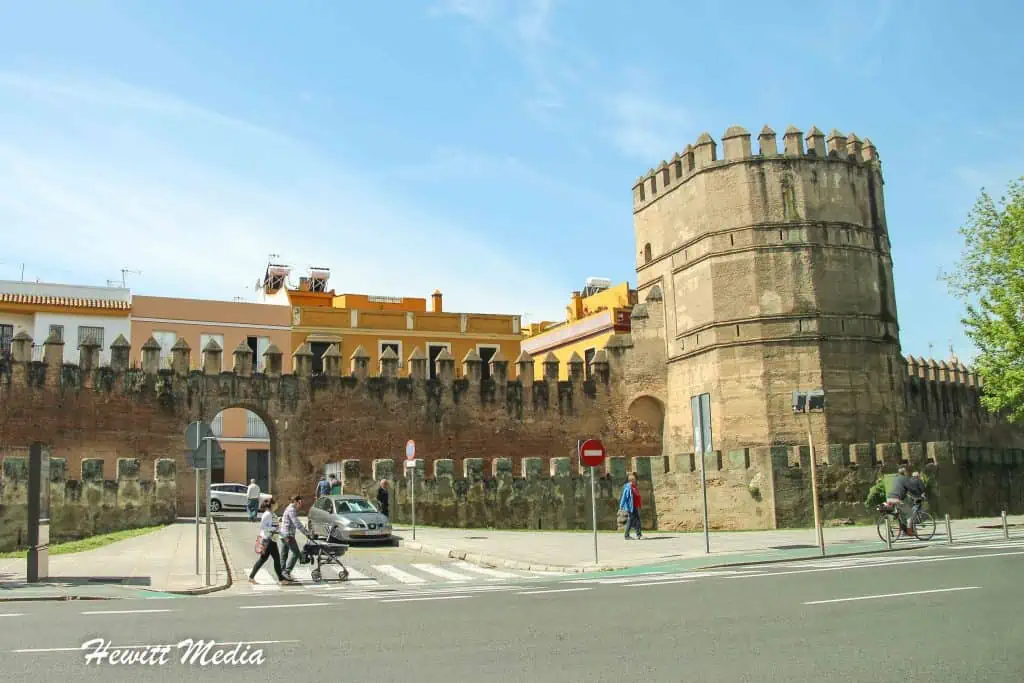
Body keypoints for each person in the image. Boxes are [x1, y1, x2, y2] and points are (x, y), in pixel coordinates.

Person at [249, 499, 294, 585]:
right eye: (276, 503)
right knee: (276, 559)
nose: (277, 505)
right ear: (272, 505)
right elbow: (262, 527)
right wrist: (273, 529)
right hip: (268, 540)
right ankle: (281, 579)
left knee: (263, 559)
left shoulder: (272, 514)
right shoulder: (267, 514)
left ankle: (251, 577)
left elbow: (277, 528)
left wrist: (283, 536)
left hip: (271, 539)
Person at [279, 494, 312, 581]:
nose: (300, 505)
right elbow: (297, 523)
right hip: (288, 535)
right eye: (300, 502)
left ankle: (282, 573)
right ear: (297, 501)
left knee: (284, 555)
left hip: (283, 535)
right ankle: (286, 572)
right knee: (296, 553)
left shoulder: (289, 508)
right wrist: (306, 532)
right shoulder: (291, 510)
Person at [619, 475, 640, 540]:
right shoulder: (627, 488)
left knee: (637, 519)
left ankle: (638, 534)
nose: (635, 480)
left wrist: (639, 504)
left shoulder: (634, 487)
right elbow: (624, 497)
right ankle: (627, 535)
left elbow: (637, 496)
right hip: (630, 507)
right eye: (634, 479)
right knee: (631, 520)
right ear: (631, 480)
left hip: (635, 506)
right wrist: (621, 506)